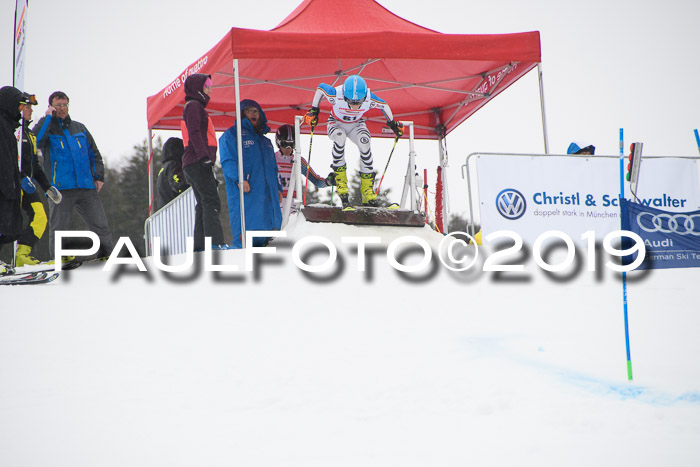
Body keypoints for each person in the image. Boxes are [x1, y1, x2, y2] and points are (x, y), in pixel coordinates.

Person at [33, 91, 113, 259]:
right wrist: (47, 118)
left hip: (86, 187)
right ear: (51, 107)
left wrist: (98, 176)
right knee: (59, 228)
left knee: (100, 224)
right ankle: (59, 260)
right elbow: (37, 141)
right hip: (60, 188)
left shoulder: (80, 128)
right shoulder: (47, 128)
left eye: (64, 105)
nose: (62, 109)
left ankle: (106, 256)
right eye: (58, 105)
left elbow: (94, 154)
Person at [303, 74, 403, 208]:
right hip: (336, 123)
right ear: (344, 95)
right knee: (340, 138)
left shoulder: (369, 97)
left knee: (365, 142)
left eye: (358, 102)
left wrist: (392, 124)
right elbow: (321, 88)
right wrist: (314, 110)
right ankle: (342, 187)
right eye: (351, 102)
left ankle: (368, 193)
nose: (355, 106)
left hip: (357, 124)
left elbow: (384, 106)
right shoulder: (335, 94)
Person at [219, 99, 282, 248]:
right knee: (244, 246)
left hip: (268, 204)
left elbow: (274, 168)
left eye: (256, 111)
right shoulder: (232, 135)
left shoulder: (266, 141)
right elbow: (228, 161)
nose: (253, 114)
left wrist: (278, 188)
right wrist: (239, 179)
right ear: (242, 114)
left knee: (269, 246)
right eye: (249, 111)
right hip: (247, 198)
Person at [180, 73, 226, 251]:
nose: (210, 89)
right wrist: (204, 156)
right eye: (207, 85)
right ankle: (215, 244)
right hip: (198, 161)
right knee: (211, 201)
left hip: (194, 162)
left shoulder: (194, 107)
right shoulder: (193, 106)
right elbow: (194, 133)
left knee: (203, 203)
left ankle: (200, 246)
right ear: (198, 87)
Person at [16, 95, 63, 266]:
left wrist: (47, 187)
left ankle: (22, 255)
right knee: (9, 222)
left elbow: (34, 164)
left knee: (40, 217)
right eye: (27, 107)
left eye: (31, 107)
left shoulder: (28, 134)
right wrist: (47, 117)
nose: (30, 110)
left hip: (26, 184)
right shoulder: (13, 131)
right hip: (10, 183)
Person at [0, 86, 28, 275]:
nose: (21, 110)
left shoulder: (7, 125)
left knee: (6, 226)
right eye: (18, 106)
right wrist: (7, 184)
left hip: (7, 184)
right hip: (3, 185)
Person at [274, 124, 333, 211]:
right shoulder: (271, 159)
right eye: (285, 144)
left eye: (292, 145)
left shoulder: (298, 161)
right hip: (274, 207)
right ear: (278, 143)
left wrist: (328, 182)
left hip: (293, 209)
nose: (288, 148)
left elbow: (316, 181)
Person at [153, 137, 189, 212]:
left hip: (165, 211)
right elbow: (177, 183)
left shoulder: (164, 168)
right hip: (174, 211)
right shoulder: (173, 165)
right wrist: (190, 188)